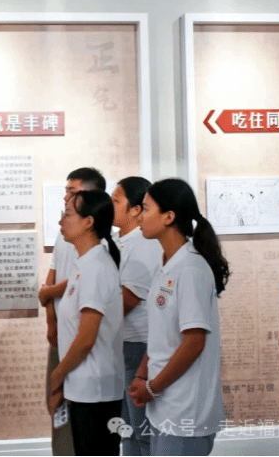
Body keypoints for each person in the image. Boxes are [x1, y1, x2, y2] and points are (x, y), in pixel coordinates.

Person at [129, 178, 229, 457]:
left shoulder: (190, 268)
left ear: (169, 217)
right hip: (165, 405)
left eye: (146, 208)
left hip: (186, 410)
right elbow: (161, 335)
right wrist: (142, 374)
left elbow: (194, 342)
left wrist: (152, 387)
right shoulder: (166, 264)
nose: (139, 216)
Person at [48, 190, 124, 456]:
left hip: (97, 392)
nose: (61, 221)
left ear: (88, 222)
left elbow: (85, 339)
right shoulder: (84, 264)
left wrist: (57, 376)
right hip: (83, 388)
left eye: (67, 215)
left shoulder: (97, 267)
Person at [38, 168, 106, 456]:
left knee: (84, 415)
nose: (66, 197)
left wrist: (49, 293)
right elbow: (52, 277)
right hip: (62, 336)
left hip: (82, 340)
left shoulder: (103, 241)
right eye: (66, 191)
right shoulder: (64, 231)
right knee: (58, 408)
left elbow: (81, 278)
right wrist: (51, 322)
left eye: (73, 191)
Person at [111, 177, 162, 456]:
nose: (109, 205)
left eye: (116, 200)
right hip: (123, 345)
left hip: (138, 345)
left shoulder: (142, 244)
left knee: (141, 431)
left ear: (135, 209)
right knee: (126, 429)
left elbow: (127, 300)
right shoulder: (120, 242)